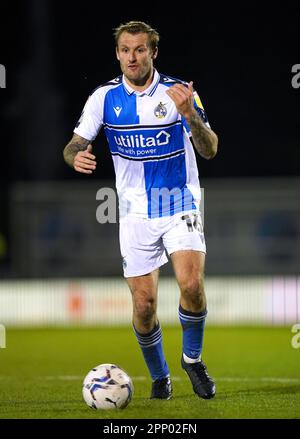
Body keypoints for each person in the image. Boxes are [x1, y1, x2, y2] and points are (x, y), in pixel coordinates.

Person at [63, 21, 218, 400]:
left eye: (140, 49)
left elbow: (210, 148)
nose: (133, 57)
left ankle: (192, 360)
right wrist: (74, 158)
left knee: (192, 284)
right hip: (133, 211)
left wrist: (190, 116)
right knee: (144, 305)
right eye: (126, 50)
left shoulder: (180, 93)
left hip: (179, 200)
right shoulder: (103, 98)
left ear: (153, 53)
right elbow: (73, 145)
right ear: (117, 54)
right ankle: (160, 376)